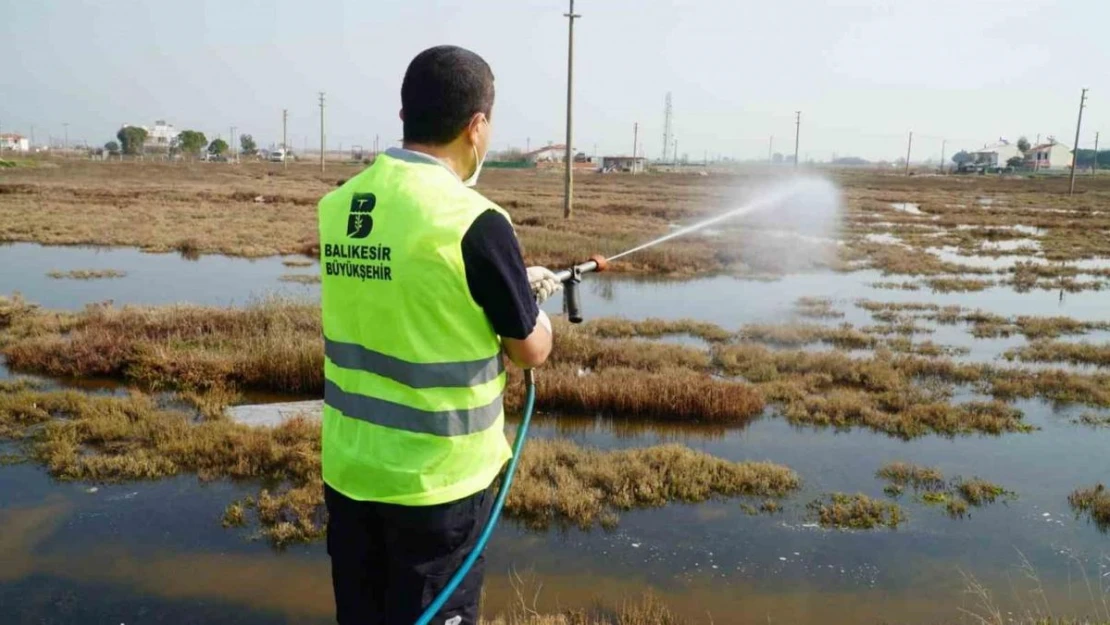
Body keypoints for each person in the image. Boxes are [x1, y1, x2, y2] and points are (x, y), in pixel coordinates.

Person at [317, 45, 561, 625]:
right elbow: (530, 349)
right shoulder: (475, 221)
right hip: (438, 489)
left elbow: (410, 290)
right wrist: (535, 310)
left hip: (351, 474)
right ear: (476, 127)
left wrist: (505, 285)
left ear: (405, 116)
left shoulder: (339, 205)